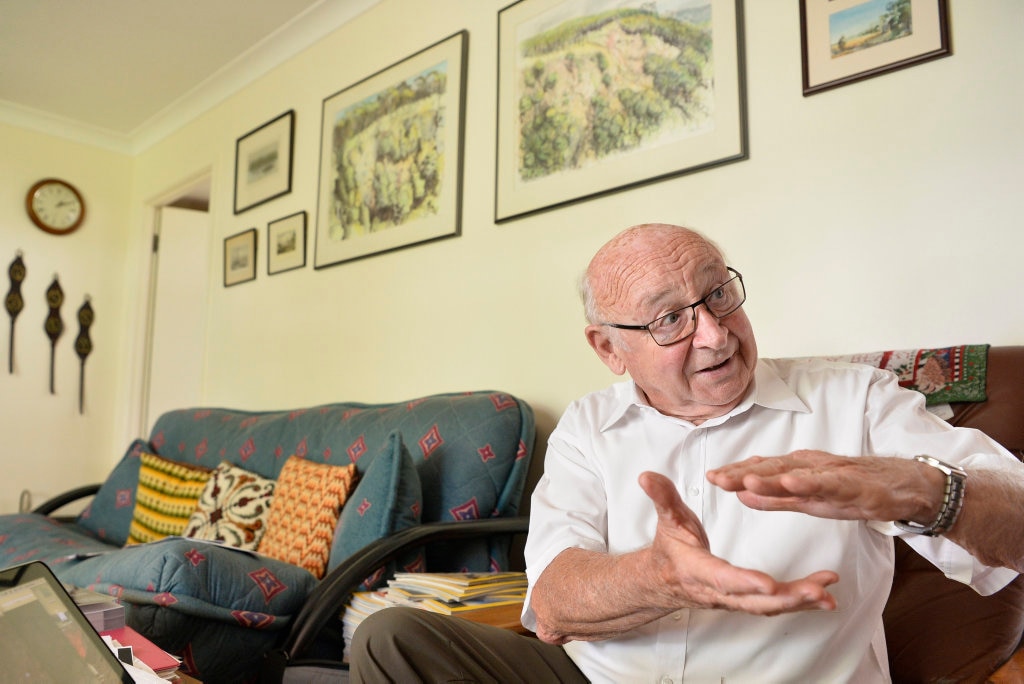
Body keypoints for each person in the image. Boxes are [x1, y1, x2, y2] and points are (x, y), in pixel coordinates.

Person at [349, 223, 1024, 683]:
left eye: (718, 295)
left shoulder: (855, 400)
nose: (714, 333)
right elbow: (551, 602)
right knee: (390, 639)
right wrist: (661, 578)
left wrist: (921, 489)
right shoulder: (590, 425)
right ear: (610, 348)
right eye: (670, 317)